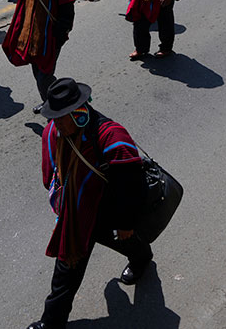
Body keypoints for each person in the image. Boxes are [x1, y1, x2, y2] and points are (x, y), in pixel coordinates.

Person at [26, 78, 152, 329]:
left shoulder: (112, 137)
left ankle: (142, 258)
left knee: (120, 240)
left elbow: (131, 186)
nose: (56, 124)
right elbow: (50, 173)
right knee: (67, 270)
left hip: (108, 211)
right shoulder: (55, 131)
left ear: (80, 113)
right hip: (77, 214)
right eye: (54, 117)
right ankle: (51, 323)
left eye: (62, 117)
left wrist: (125, 222)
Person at [2, 0, 77, 107]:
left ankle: (54, 106)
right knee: (38, 73)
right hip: (33, 40)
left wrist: (57, 39)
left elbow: (67, 20)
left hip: (51, 41)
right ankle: (55, 98)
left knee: (44, 76)